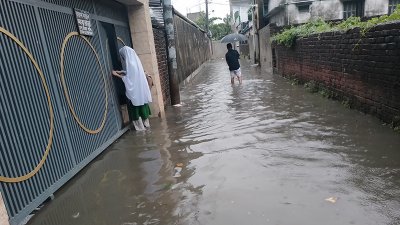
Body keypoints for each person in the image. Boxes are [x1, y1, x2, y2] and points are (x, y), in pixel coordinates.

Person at [112, 46, 152, 131]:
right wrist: (123, 72)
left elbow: (129, 79)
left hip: (136, 93)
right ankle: (146, 126)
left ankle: (140, 130)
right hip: (141, 91)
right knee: (143, 108)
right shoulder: (136, 62)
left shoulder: (130, 64)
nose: (122, 58)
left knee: (136, 109)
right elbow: (133, 74)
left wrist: (117, 75)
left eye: (123, 56)